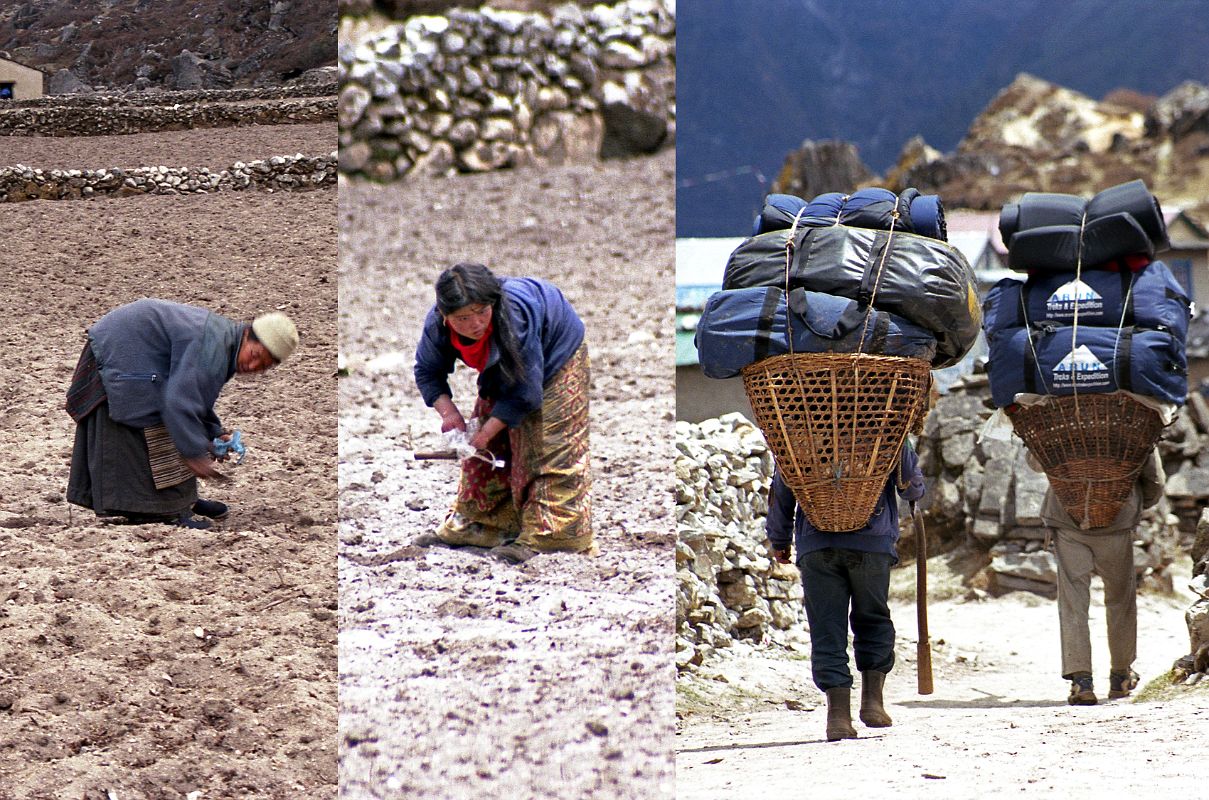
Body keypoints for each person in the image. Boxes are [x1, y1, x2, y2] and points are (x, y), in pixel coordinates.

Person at [413, 262, 591, 564]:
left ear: (494, 304)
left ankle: (553, 535)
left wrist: (483, 434)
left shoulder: (514, 315)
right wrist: (449, 415)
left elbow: (524, 394)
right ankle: (484, 524)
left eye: (482, 312)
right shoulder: (437, 326)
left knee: (549, 442)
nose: (475, 324)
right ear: (445, 316)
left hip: (557, 350)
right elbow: (428, 371)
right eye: (463, 318)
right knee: (487, 446)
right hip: (505, 366)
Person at [66, 298, 298, 529]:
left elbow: (196, 397)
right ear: (247, 335)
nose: (253, 366)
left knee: (180, 423)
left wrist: (214, 432)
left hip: (135, 347)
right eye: (255, 355)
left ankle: (184, 502)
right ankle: (159, 511)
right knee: (148, 417)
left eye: (264, 366)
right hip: (121, 350)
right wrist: (194, 454)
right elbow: (180, 403)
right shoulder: (215, 347)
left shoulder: (226, 343)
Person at [767, 442, 925, 741]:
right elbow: (910, 485)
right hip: (872, 543)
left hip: (817, 543)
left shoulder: (795, 433)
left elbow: (782, 487)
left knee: (826, 626)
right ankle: (873, 703)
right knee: (873, 617)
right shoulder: (887, 425)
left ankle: (838, 716)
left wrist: (780, 538)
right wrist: (915, 489)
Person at [1037, 449, 1165, 705]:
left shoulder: (1057, 417)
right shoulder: (1136, 418)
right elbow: (1155, 481)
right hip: (1117, 522)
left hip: (1066, 518)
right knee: (1120, 601)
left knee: (1074, 602)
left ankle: (1082, 682)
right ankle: (1120, 676)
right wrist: (1131, 503)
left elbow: (1036, 460)